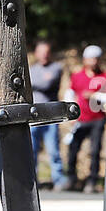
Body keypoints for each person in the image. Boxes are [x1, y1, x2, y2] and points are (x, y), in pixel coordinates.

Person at [67, 45, 106, 192]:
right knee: (73, 147)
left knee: (95, 150)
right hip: (80, 118)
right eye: (90, 58)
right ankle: (71, 178)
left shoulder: (105, 77)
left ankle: (92, 180)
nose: (93, 61)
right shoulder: (77, 76)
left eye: (96, 58)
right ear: (85, 59)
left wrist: (95, 96)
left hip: (97, 119)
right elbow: (70, 93)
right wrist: (69, 114)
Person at [28, 40, 69, 190]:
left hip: (51, 117)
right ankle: (32, 179)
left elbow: (47, 84)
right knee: (31, 150)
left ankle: (58, 179)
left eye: (47, 52)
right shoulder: (32, 69)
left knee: (53, 150)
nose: (44, 55)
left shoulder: (56, 68)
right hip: (34, 116)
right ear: (36, 54)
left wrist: (32, 83)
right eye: (41, 52)